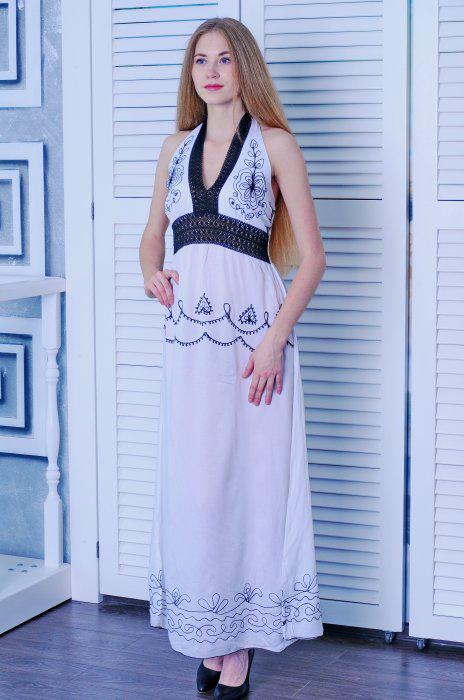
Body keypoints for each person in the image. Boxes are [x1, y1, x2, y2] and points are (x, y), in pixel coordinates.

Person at [139, 16, 326, 699]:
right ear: (190, 73)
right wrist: (151, 273)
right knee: (197, 484)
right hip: (189, 342)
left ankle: (239, 642)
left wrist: (274, 339)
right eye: (200, 60)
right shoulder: (174, 148)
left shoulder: (275, 145)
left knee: (250, 482)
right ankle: (211, 632)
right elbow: (151, 238)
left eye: (224, 59)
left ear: (245, 67)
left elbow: (313, 258)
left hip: (254, 340)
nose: (211, 71)